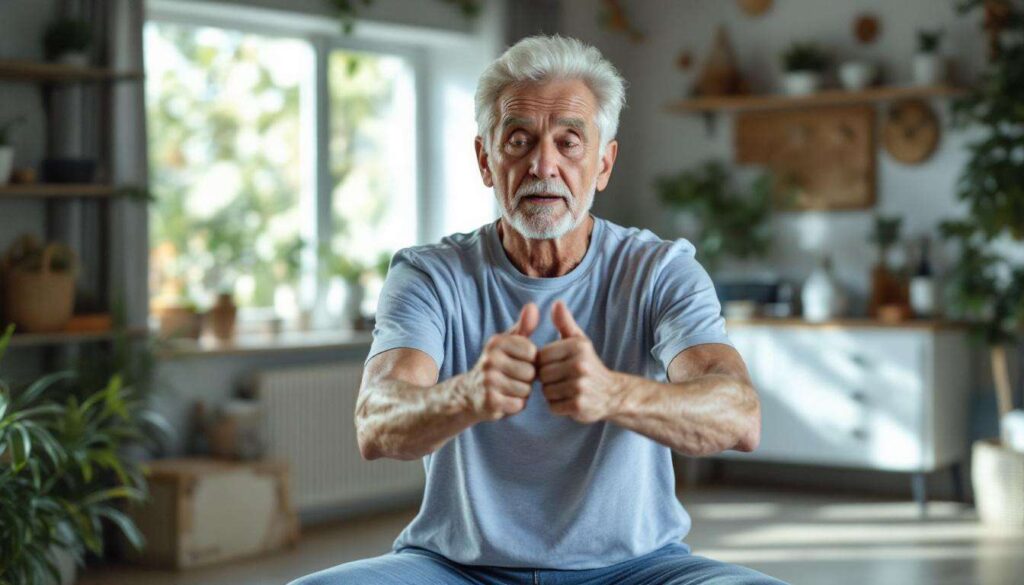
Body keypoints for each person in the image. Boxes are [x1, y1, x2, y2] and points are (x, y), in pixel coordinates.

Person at [290, 34, 785, 585]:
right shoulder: (429, 274)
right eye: (519, 140)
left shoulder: (661, 269)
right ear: (486, 160)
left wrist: (613, 394)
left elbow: (739, 416)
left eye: (569, 142)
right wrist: (468, 395)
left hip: (639, 570)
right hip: (456, 570)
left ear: (603, 163)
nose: (542, 165)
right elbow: (376, 421)